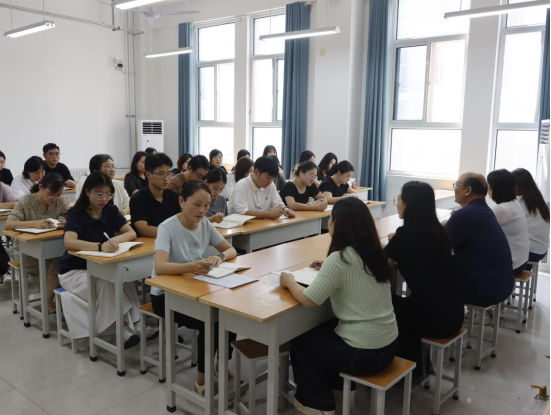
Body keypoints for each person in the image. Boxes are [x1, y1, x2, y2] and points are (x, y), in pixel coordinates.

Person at [280, 198, 398, 414]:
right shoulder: (374, 252)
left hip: (364, 354)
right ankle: (340, 392)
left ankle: (318, 404)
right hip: (389, 345)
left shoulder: (340, 258)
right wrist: (328, 268)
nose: (329, 222)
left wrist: (289, 280)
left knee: (301, 342)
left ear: (338, 224)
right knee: (325, 331)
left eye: (331, 218)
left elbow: (308, 300)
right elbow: (355, 272)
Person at [151, 180, 238, 398]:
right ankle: (201, 382)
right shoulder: (167, 227)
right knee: (210, 322)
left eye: (207, 205)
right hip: (165, 295)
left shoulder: (205, 224)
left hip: (194, 288)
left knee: (229, 315)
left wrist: (218, 257)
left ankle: (219, 367)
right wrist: (192, 266)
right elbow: (160, 267)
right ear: (181, 201)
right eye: (197, 204)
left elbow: (230, 250)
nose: (202, 210)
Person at [58, 172, 155, 345]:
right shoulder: (76, 213)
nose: (104, 198)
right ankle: (123, 328)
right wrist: (100, 246)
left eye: (108, 194)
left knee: (124, 279)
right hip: (74, 271)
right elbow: (69, 242)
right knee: (108, 282)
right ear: (87, 191)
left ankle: (138, 325)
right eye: (99, 193)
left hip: (101, 267)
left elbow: (131, 233)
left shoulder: (110, 210)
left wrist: (115, 240)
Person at [386, 182, 464, 382]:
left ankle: (390, 367)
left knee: (383, 303)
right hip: (454, 312)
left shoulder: (406, 235)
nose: (397, 204)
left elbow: (377, 265)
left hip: (433, 319)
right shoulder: (439, 230)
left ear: (409, 204)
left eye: (398, 199)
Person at [444, 173, 514, 310]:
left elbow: (437, 245)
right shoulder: (483, 210)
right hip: (501, 284)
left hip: (484, 290)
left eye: (456, 185)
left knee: (426, 275)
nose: (454, 189)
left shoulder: (465, 214)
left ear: (468, 190)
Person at [5, 173, 69, 311]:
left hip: (51, 248)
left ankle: (53, 303)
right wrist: (35, 223)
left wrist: (68, 222)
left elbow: (72, 217)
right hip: (26, 250)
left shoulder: (60, 201)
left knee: (64, 261)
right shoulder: (25, 201)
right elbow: (9, 224)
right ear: (40, 187)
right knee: (56, 267)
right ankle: (49, 303)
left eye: (58, 195)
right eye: (51, 194)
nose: (54, 198)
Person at [487, 169, 530, 275]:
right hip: (521, 260)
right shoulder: (514, 203)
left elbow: (478, 225)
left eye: (488, 186)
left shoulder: (502, 209)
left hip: (511, 264)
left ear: (495, 189)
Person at [228, 156, 296, 219]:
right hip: (240, 226)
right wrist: (268, 214)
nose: (270, 181)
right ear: (256, 172)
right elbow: (241, 211)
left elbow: (277, 203)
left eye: (273, 178)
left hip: (262, 225)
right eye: (268, 178)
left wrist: (285, 209)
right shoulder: (242, 185)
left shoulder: (270, 185)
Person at [131, 154, 181, 238]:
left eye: (168, 174)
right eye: (161, 174)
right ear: (148, 174)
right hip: (149, 243)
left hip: (173, 241)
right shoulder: (137, 199)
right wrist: (173, 232)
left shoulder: (174, 196)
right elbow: (144, 229)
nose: (166, 178)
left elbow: (181, 222)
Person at [512, 168, 550, 268]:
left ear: (517, 185)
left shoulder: (519, 201)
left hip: (530, 251)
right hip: (541, 250)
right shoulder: (538, 200)